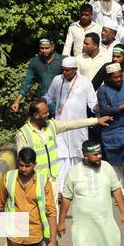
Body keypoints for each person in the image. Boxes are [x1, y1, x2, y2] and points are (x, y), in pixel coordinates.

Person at [14, 98, 111, 193]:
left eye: (48, 112)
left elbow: (72, 124)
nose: (48, 115)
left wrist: (96, 121)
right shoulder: (23, 134)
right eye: (45, 113)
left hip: (52, 180)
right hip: (35, 182)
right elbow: (22, 164)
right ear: (35, 115)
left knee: (53, 209)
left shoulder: (51, 125)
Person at [57, 140, 124, 246]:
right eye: (95, 154)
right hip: (84, 228)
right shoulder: (73, 172)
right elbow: (66, 198)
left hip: (105, 224)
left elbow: (117, 190)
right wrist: (61, 222)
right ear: (85, 156)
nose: (99, 156)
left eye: (100, 153)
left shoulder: (107, 167)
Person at [44, 56, 98, 193]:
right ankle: (61, 189)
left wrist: (99, 108)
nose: (65, 73)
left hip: (78, 127)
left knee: (78, 154)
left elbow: (92, 103)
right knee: (61, 155)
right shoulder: (57, 80)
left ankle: (79, 187)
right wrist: (40, 103)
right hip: (60, 125)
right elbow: (49, 96)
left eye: (68, 70)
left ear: (75, 69)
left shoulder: (85, 82)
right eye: (64, 70)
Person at [0, 147, 58, 246]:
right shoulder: (9, 178)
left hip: (35, 235)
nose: (23, 169)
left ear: (34, 164)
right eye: (21, 165)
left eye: (27, 166)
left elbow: (51, 212)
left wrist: (53, 242)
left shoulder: (43, 182)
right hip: (14, 234)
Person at [96, 63, 124, 205]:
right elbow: (105, 110)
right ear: (108, 78)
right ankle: (121, 192)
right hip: (110, 131)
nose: (119, 79)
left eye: (120, 76)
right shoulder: (102, 91)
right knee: (116, 165)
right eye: (115, 77)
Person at [13, 39, 64, 112]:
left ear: (52, 47)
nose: (44, 50)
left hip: (60, 102)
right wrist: (17, 101)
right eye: (41, 48)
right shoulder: (35, 62)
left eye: (47, 48)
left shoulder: (62, 61)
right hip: (43, 102)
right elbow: (28, 81)